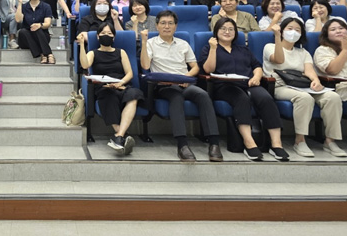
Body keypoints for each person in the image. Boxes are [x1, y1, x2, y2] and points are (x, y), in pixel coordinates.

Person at [199, 17, 288, 161]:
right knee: (241, 99)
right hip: (224, 86)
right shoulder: (209, 48)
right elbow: (208, 69)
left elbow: (256, 66)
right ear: (216, 31)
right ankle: (249, 142)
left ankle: (276, 144)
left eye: (231, 29)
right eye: (223, 29)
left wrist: (257, 77)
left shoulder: (243, 49)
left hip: (248, 82)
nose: (227, 32)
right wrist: (213, 49)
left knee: (266, 98)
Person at [140, 10, 223, 162]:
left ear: (176, 26)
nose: (167, 26)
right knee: (176, 97)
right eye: (163, 23)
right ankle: (182, 144)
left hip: (185, 82)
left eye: (170, 23)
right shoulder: (151, 43)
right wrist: (144, 42)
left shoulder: (183, 44)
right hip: (164, 86)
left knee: (203, 95)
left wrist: (187, 77)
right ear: (157, 26)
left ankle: (214, 143)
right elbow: (145, 65)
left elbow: (195, 67)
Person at [264, 17, 346, 158]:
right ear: (282, 31)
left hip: (302, 86)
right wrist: (277, 38)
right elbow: (279, 60)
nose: (293, 32)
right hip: (280, 86)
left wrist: (315, 81)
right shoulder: (269, 47)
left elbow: (309, 71)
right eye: (289, 29)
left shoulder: (303, 52)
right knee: (304, 98)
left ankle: (330, 141)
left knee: (333, 97)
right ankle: (300, 140)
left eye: (297, 30)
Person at [77, 22, 142, 155]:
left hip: (121, 84)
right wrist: (82, 45)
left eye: (109, 34)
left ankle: (119, 136)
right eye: (103, 34)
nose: (106, 36)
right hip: (104, 87)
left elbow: (129, 73)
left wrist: (120, 83)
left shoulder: (121, 52)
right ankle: (122, 136)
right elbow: (85, 64)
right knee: (108, 96)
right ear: (97, 36)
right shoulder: (93, 53)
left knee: (134, 95)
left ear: (113, 37)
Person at [15, 0, 54, 64]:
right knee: (23, 31)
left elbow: (47, 24)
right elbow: (18, 20)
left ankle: (44, 55)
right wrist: (19, 4)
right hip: (26, 38)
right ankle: (47, 53)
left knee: (37, 28)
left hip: (42, 36)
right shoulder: (24, 6)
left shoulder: (46, 6)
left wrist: (40, 25)